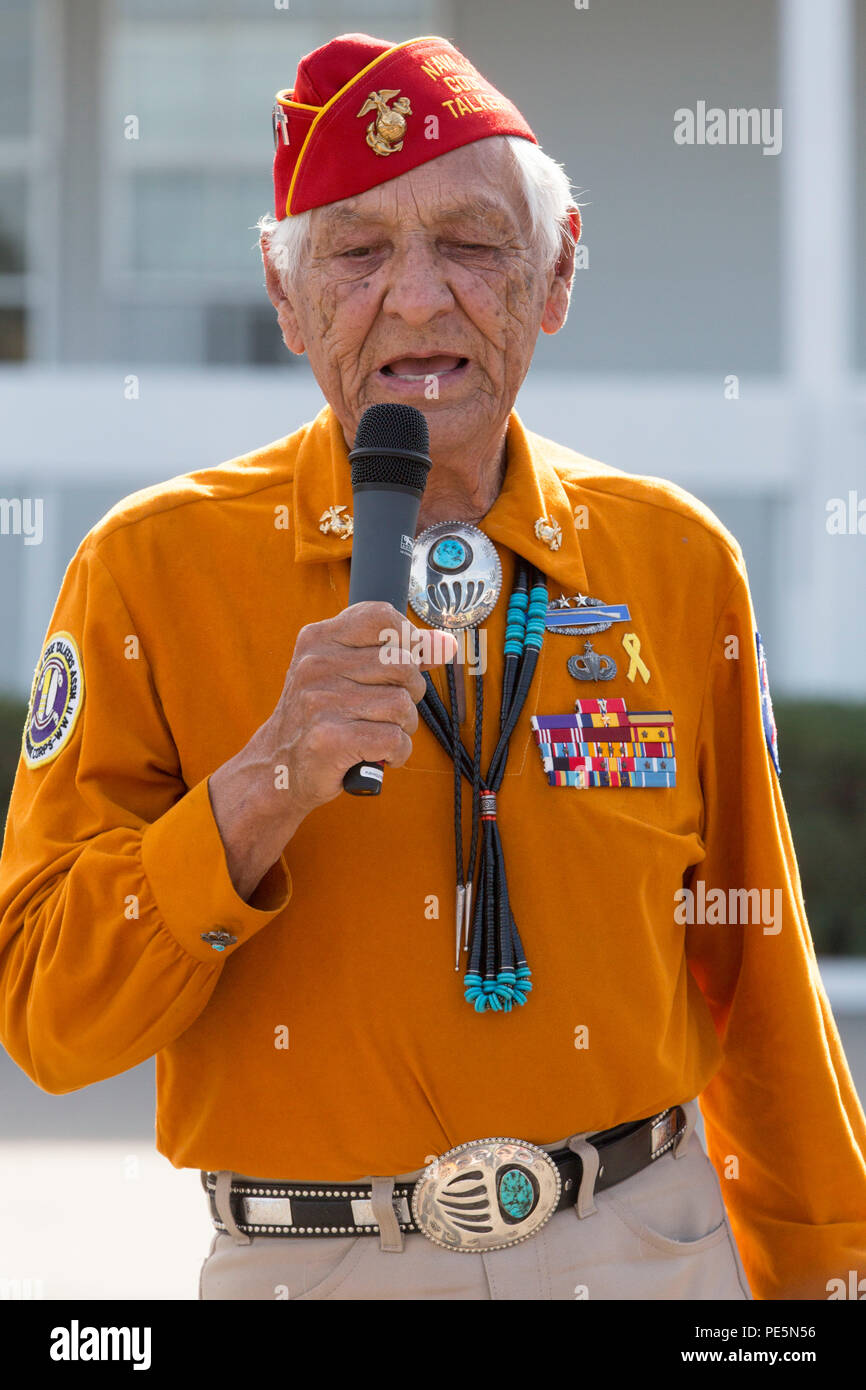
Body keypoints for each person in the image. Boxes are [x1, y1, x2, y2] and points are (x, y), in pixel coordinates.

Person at [0, 31, 864, 1303]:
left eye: (471, 245)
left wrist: (828, 1283)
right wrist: (260, 790)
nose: (414, 299)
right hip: (313, 1263)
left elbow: (761, 984)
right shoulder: (146, 573)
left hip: (643, 1250)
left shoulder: (676, 564)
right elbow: (47, 1021)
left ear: (557, 273)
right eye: (355, 254)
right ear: (283, 295)